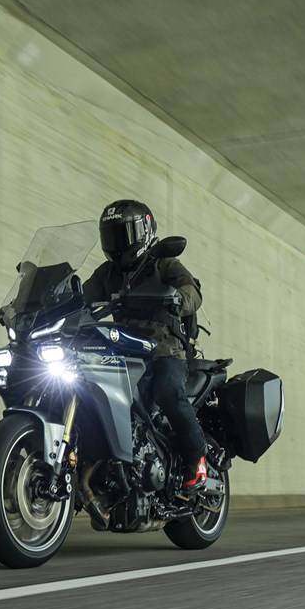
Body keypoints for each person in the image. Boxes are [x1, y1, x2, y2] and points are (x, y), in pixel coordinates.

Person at [82, 199, 208, 494]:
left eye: (123, 234)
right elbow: (81, 297)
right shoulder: (107, 273)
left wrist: (178, 298)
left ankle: (197, 458)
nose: (117, 243)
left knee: (167, 389)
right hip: (124, 349)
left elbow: (192, 291)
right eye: (112, 236)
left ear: (144, 231)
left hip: (163, 350)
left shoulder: (164, 263)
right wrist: (50, 303)